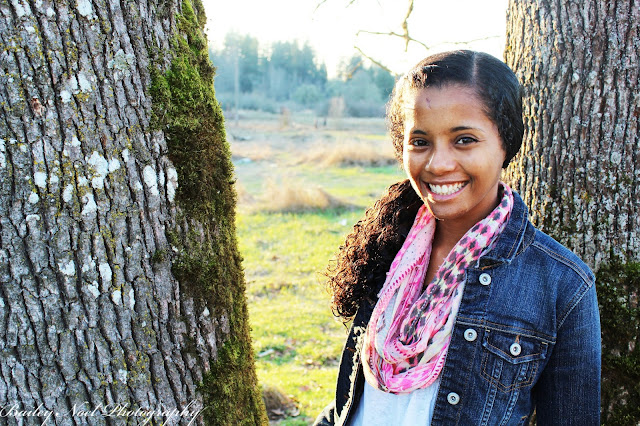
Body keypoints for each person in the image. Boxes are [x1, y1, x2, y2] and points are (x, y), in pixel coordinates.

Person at [314, 50, 601, 426]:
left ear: (506, 143)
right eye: (420, 142)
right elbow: (352, 402)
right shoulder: (389, 247)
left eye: (464, 140)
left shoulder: (562, 284)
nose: (438, 164)